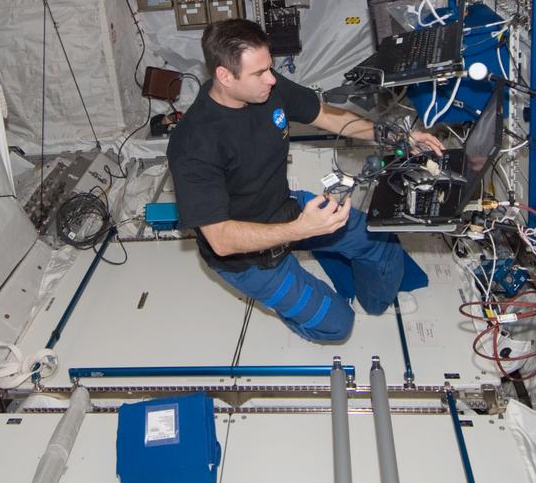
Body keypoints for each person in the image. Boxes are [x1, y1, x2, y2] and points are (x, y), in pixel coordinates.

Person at [166, 18, 443, 342]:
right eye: (259, 73)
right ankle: (298, 306)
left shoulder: (267, 87)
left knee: (382, 242)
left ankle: (371, 301)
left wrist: (396, 136)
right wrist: (303, 229)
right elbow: (221, 239)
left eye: (270, 67)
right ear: (225, 76)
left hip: (285, 208)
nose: (272, 79)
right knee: (338, 327)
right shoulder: (193, 143)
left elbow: (324, 115)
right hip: (249, 259)